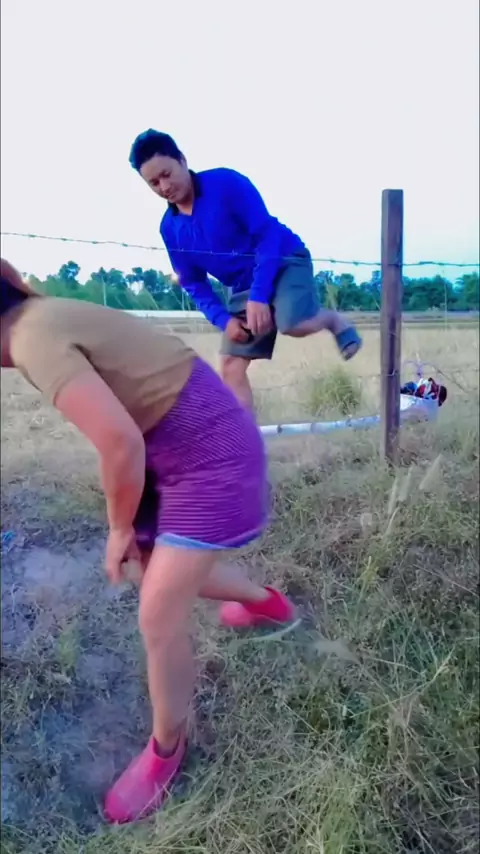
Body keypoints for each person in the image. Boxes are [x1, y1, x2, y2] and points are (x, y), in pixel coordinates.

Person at [0, 258, 296, 824]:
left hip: (210, 452)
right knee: (150, 568)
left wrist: (118, 528)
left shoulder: (32, 338)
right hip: (174, 442)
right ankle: (266, 602)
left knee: (157, 617)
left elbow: (119, 444)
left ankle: (167, 750)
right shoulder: (42, 317)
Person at [129, 129, 363, 411]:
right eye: (154, 183)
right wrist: (224, 320)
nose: (164, 187)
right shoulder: (169, 228)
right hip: (243, 285)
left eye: (166, 174)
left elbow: (267, 235)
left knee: (293, 323)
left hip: (283, 259)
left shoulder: (226, 183)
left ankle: (334, 321)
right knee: (230, 364)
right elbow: (193, 282)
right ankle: (246, 439)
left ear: (182, 160)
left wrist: (260, 296)